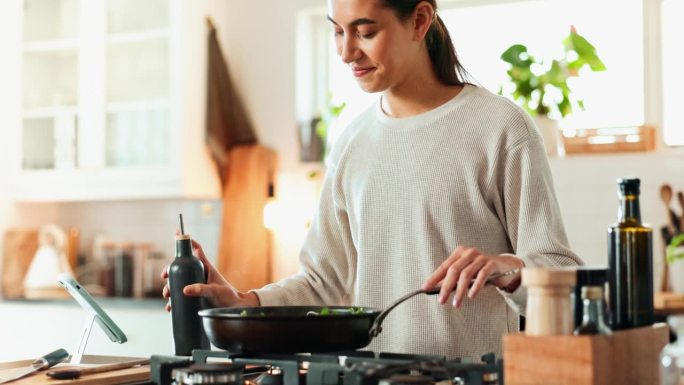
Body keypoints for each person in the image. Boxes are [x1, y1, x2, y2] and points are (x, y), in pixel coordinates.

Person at [162, 0, 583, 359]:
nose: (346, 53)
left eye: (365, 32)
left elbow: (561, 272)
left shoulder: (500, 128)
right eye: (337, 32)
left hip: (472, 376)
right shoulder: (352, 142)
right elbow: (324, 281)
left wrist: (508, 269)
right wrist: (244, 303)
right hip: (370, 375)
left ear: (419, 21)